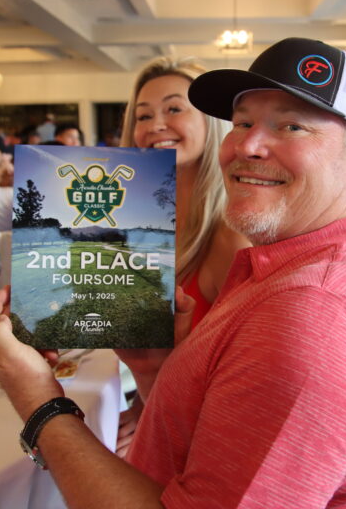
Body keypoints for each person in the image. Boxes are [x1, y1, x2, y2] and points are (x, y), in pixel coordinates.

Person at [0, 38, 346, 507]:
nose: (248, 145)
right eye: (243, 122)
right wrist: (152, 370)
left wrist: (38, 401)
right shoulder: (288, 264)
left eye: (292, 126)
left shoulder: (314, 323)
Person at [115, 56, 251, 455]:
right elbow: (159, 353)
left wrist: (150, 414)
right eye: (144, 116)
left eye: (174, 109)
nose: (156, 125)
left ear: (210, 122)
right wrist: (142, 404)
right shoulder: (138, 223)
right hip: (157, 405)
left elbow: (236, 382)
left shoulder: (231, 234)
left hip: (206, 440)